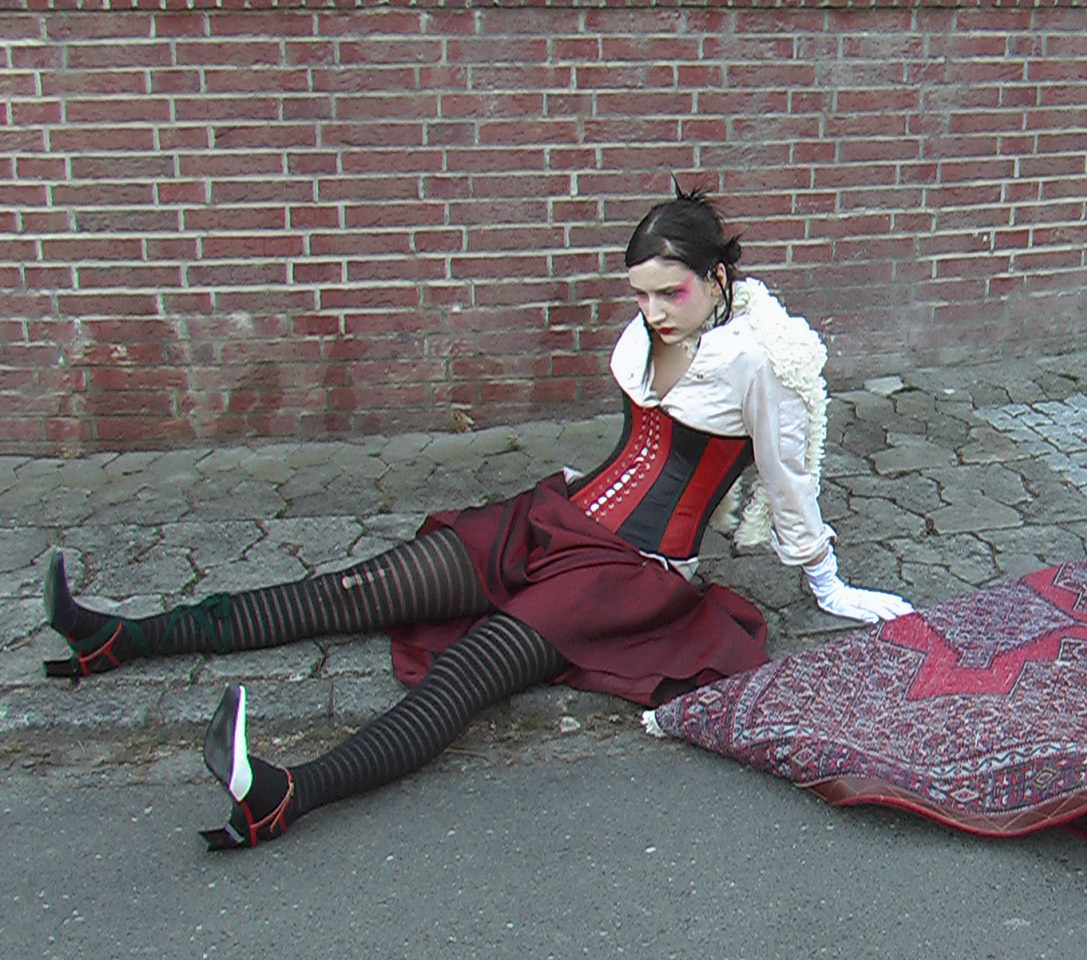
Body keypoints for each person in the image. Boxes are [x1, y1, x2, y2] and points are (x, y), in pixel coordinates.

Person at [40, 186, 913, 851]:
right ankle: (116, 637)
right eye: (640, 294)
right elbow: (636, 433)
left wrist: (826, 579)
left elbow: (790, 478)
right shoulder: (654, 329)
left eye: (669, 294)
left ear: (717, 277)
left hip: (628, 577)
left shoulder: (758, 365)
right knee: (354, 590)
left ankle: (284, 794)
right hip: (559, 517)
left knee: (464, 676)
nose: (652, 312)